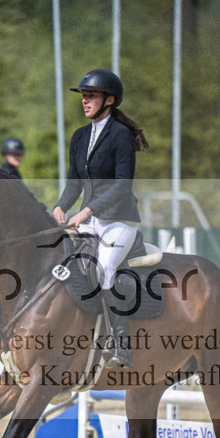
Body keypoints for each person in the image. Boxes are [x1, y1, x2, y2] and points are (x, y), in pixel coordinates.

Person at [52, 68, 148, 370]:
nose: (85, 101)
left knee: (104, 267)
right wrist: (61, 206)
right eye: (83, 96)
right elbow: (74, 182)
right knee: (64, 263)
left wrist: (86, 211)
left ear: (109, 100)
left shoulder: (120, 136)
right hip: (90, 220)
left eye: (91, 95)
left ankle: (121, 344)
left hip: (119, 221)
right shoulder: (80, 136)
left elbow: (122, 186)